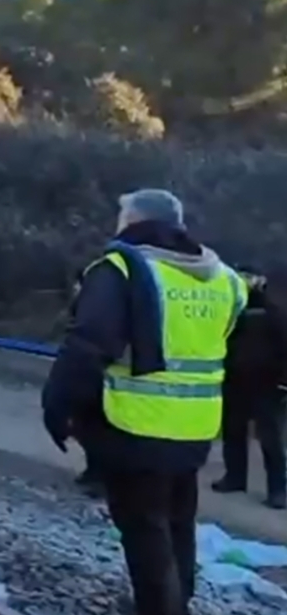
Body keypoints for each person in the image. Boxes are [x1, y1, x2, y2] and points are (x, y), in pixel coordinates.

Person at [41, 188, 247, 615]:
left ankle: (159, 609)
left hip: (136, 425)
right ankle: (177, 602)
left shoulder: (122, 269)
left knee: (143, 530)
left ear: (134, 222)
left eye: (121, 217)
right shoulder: (222, 276)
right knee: (177, 522)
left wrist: (57, 407)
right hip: (196, 427)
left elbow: (87, 345)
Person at [212, 267, 287, 510]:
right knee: (233, 431)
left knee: (269, 437)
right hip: (234, 380)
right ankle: (234, 477)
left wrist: (282, 381)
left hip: (265, 383)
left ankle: (278, 489)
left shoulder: (273, 312)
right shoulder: (231, 311)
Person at [67, 267, 104, 497]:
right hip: (83, 371)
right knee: (84, 424)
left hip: (97, 373)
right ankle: (93, 470)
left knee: (95, 426)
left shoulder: (98, 306)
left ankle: (100, 475)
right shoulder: (85, 303)